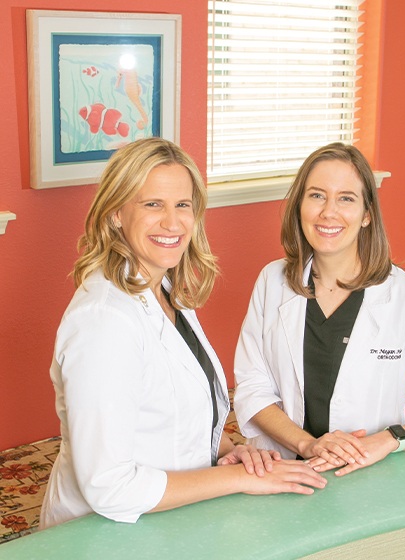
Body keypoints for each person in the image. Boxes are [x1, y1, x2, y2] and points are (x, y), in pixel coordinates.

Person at [40, 138, 327, 530]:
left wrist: (229, 451)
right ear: (115, 214)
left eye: (183, 205)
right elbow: (110, 488)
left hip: (170, 517)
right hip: (102, 533)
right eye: (152, 204)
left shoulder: (166, 289)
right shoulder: (104, 323)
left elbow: (170, 416)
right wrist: (240, 479)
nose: (172, 223)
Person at [234, 142, 405, 476]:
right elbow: (252, 388)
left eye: (346, 198)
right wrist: (307, 444)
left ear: (366, 214)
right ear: (300, 206)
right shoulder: (272, 281)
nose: (328, 212)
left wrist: (387, 440)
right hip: (281, 469)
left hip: (365, 475)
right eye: (317, 195)